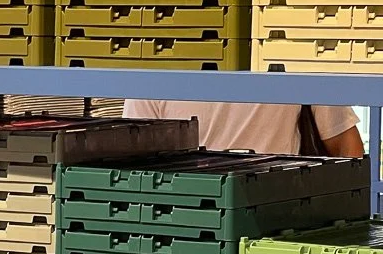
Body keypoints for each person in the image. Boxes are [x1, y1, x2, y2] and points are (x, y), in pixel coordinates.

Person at [120, 100, 365, 158]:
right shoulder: (154, 67)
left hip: (280, 215)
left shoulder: (290, 53)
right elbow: (347, 147)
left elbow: (347, 147)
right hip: (187, 218)